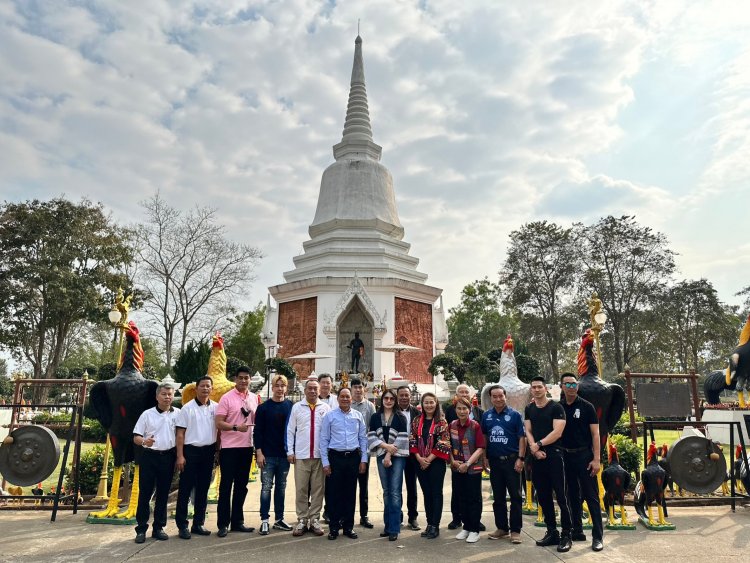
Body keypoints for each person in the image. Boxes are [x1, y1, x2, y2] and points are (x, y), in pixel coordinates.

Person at [525, 375, 572, 553]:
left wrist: (539, 444)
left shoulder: (556, 408)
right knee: (543, 497)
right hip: (537, 456)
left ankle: (566, 533)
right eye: (534, 387)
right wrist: (534, 449)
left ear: (545, 388)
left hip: (554, 455)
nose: (536, 390)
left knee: (561, 496)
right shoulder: (529, 408)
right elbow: (528, 430)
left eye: (539, 387)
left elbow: (558, 432)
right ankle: (552, 531)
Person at [559, 372, 604, 552]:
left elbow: (596, 434)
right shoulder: (558, 408)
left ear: (577, 386)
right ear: (562, 386)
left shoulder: (587, 407)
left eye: (573, 384)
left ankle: (598, 536)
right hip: (565, 457)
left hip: (584, 456)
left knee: (591, 496)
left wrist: (596, 459)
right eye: (567, 384)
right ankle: (574, 532)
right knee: (570, 496)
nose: (571, 387)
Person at [132, 382, 180, 544]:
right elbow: (136, 437)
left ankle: (159, 527)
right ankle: (141, 529)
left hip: (168, 457)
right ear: (157, 396)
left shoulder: (178, 414)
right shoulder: (147, 414)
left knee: (162, 494)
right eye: (164, 394)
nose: (167, 397)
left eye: (170, 394)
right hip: (149, 457)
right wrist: (145, 441)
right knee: (145, 494)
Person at [214, 366, 258, 537]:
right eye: (240, 378)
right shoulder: (226, 398)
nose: (243, 381)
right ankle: (223, 524)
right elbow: (218, 423)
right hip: (229, 448)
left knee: (242, 487)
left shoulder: (254, 398)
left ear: (250, 379)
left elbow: (256, 420)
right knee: (226, 487)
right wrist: (234, 427)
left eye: (246, 378)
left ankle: (237, 522)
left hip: (246, 448)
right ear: (235, 379)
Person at [320, 387, 368, 540]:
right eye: (342, 396)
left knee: (350, 493)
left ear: (351, 398)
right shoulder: (330, 416)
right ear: (338, 398)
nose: (345, 399)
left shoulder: (358, 415)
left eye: (348, 396)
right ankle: (334, 527)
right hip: (335, 458)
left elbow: (363, 439)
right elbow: (324, 440)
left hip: (353, 458)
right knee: (334, 494)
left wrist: (363, 460)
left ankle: (348, 527)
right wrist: (325, 463)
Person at [286, 379, 331, 537]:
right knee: (301, 489)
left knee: (318, 489)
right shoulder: (297, 407)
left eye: (315, 389)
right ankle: (302, 519)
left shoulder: (325, 408)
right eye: (310, 388)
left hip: (319, 456)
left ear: (319, 391)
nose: (312, 391)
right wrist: (290, 452)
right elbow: (291, 430)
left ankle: (314, 519)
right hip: (302, 455)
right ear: (305, 390)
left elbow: (329, 432)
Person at [481, 385, 526, 544]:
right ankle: (502, 528)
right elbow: (484, 437)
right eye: (495, 396)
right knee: (498, 497)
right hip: (494, 462)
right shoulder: (486, 416)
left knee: (515, 496)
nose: (498, 399)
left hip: (512, 461)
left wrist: (521, 458)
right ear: (491, 398)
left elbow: (522, 438)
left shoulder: (515, 415)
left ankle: (515, 530)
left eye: (501, 396)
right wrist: (485, 457)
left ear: (505, 396)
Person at [175, 375, 218, 539]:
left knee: (203, 489)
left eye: (208, 386)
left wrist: (218, 451)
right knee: (185, 490)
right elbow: (180, 434)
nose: (205, 388)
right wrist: (180, 456)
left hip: (208, 452)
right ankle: (182, 525)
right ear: (196, 388)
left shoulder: (216, 407)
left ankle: (198, 523)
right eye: (202, 386)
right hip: (190, 452)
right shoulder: (187, 408)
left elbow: (219, 431)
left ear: (211, 389)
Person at [254, 373, 294, 535]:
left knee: (281, 487)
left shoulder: (291, 406)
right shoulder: (263, 408)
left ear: (286, 388)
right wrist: (259, 452)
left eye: (282, 386)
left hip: (284, 455)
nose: (280, 389)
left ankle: (279, 519)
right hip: (268, 455)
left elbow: (293, 430)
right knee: (266, 487)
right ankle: (264, 520)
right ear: (272, 387)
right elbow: (258, 432)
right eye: (277, 386)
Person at [367, 388, 409, 541]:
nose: (389, 401)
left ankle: (394, 528)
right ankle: (388, 525)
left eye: (392, 398)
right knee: (386, 491)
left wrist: (389, 454)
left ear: (395, 400)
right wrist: (386, 449)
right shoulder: (375, 417)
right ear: (382, 400)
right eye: (386, 398)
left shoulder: (400, 417)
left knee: (395, 491)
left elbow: (403, 438)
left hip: (397, 456)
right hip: (381, 455)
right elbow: (371, 437)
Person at [409, 392, 450, 539]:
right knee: (427, 493)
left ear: (436, 403)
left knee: (436, 493)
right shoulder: (416, 420)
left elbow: (443, 442)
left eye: (431, 402)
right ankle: (429, 523)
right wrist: (420, 459)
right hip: (420, 462)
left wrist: (429, 459)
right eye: (426, 402)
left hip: (436, 462)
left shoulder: (442, 422)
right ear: (422, 404)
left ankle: (435, 525)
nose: (429, 405)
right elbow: (412, 439)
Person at [444, 384, 484, 531]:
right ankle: (459, 520)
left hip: (473, 463)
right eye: (461, 392)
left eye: (466, 392)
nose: (463, 394)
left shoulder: (478, 417)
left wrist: (469, 463)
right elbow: (447, 441)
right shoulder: (451, 418)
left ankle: (474, 523)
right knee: (459, 493)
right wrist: (452, 461)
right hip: (456, 463)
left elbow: (481, 443)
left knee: (474, 495)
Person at [350, 377, 376, 528]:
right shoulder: (347, 403)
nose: (358, 390)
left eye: (360, 387)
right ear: (351, 389)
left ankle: (364, 515)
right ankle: (347, 515)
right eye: (355, 387)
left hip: (363, 451)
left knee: (363, 485)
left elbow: (372, 429)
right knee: (349, 485)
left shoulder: (370, 406)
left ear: (364, 389)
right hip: (349, 450)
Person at [397, 385, 421, 531]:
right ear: (397, 396)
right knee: (396, 486)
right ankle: (397, 517)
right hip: (397, 453)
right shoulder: (392, 411)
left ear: (410, 396)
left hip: (412, 454)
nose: (404, 397)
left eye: (407, 395)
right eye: (401, 395)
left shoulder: (417, 412)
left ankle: (413, 517)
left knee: (412, 486)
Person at [318, 372, 337, 523]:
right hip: (314, 447)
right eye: (323, 382)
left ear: (332, 385)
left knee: (331, 482)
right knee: (315, 483)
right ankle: (312, 512)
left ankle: (329, 510)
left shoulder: (337, 400)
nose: (325, 385)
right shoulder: (311, 400)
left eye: (328, 383)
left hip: (333, 447)